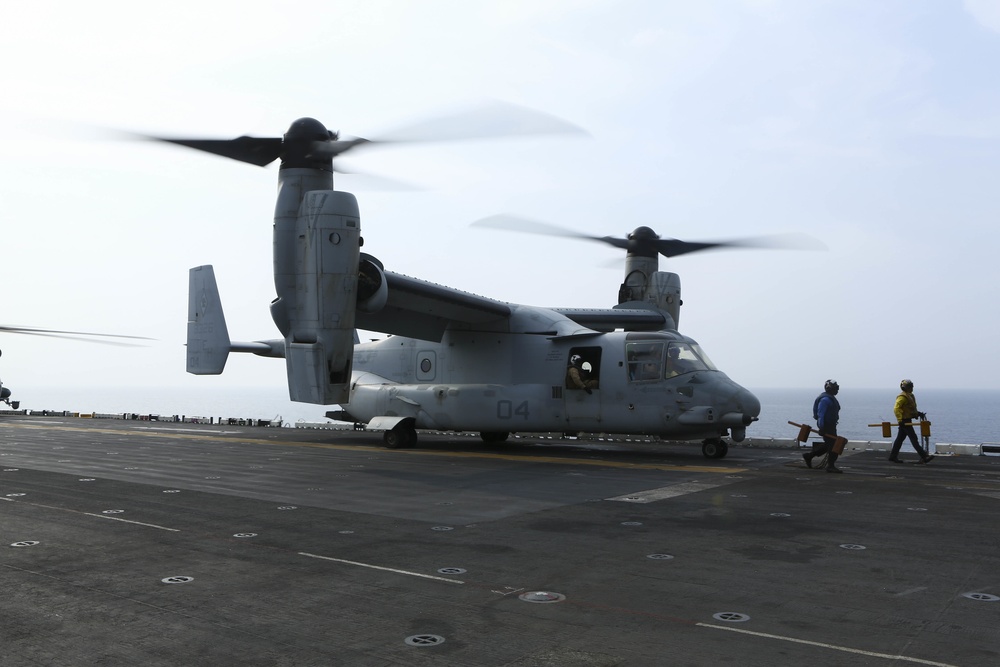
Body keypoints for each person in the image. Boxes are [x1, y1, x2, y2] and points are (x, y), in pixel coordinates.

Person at [888, 379, 934, 464]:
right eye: (910, 386)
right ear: (906, 387)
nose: (912, 388)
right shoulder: (902, 397)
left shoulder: (910, 396)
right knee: (914, 438)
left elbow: (910, 409)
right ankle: (924, 456)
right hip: (904, 421)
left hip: (907, 420)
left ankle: (893, 456)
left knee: (899, 439)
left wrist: (918, 414)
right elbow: (896, 408)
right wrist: (900, 420)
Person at [804, 379, 843, 473]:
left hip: (831, 425)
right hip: (827, 426)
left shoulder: (829, 398)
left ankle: (809, 456)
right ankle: (831, 466)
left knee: (829, 444)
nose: (837, 390)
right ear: (830, 388)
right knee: (834, 445)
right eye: (836, 388)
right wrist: (822, 428)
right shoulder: (825, 400)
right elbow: (821, 415)